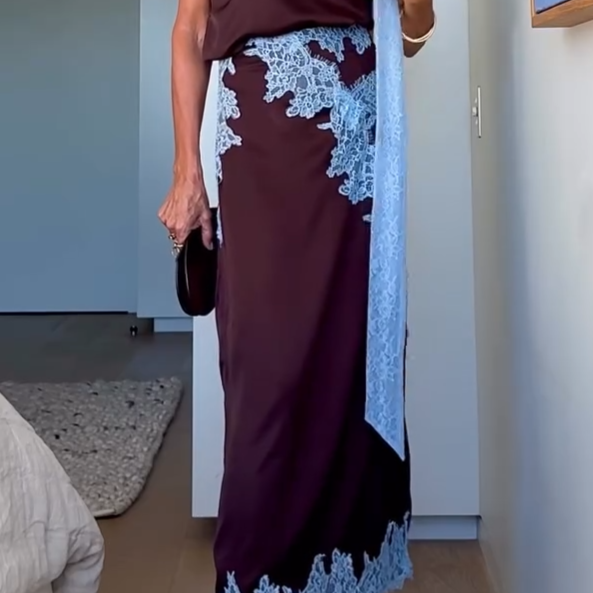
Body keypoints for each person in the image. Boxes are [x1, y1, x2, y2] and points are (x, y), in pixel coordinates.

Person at [158, 0, 434, 591]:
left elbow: (416, 28)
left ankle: (350, 572)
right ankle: (260, 575)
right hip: (258, 137)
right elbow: (191, 27)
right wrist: (186, 171)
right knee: (267, 374)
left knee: (349, 358)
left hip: (351, 139)